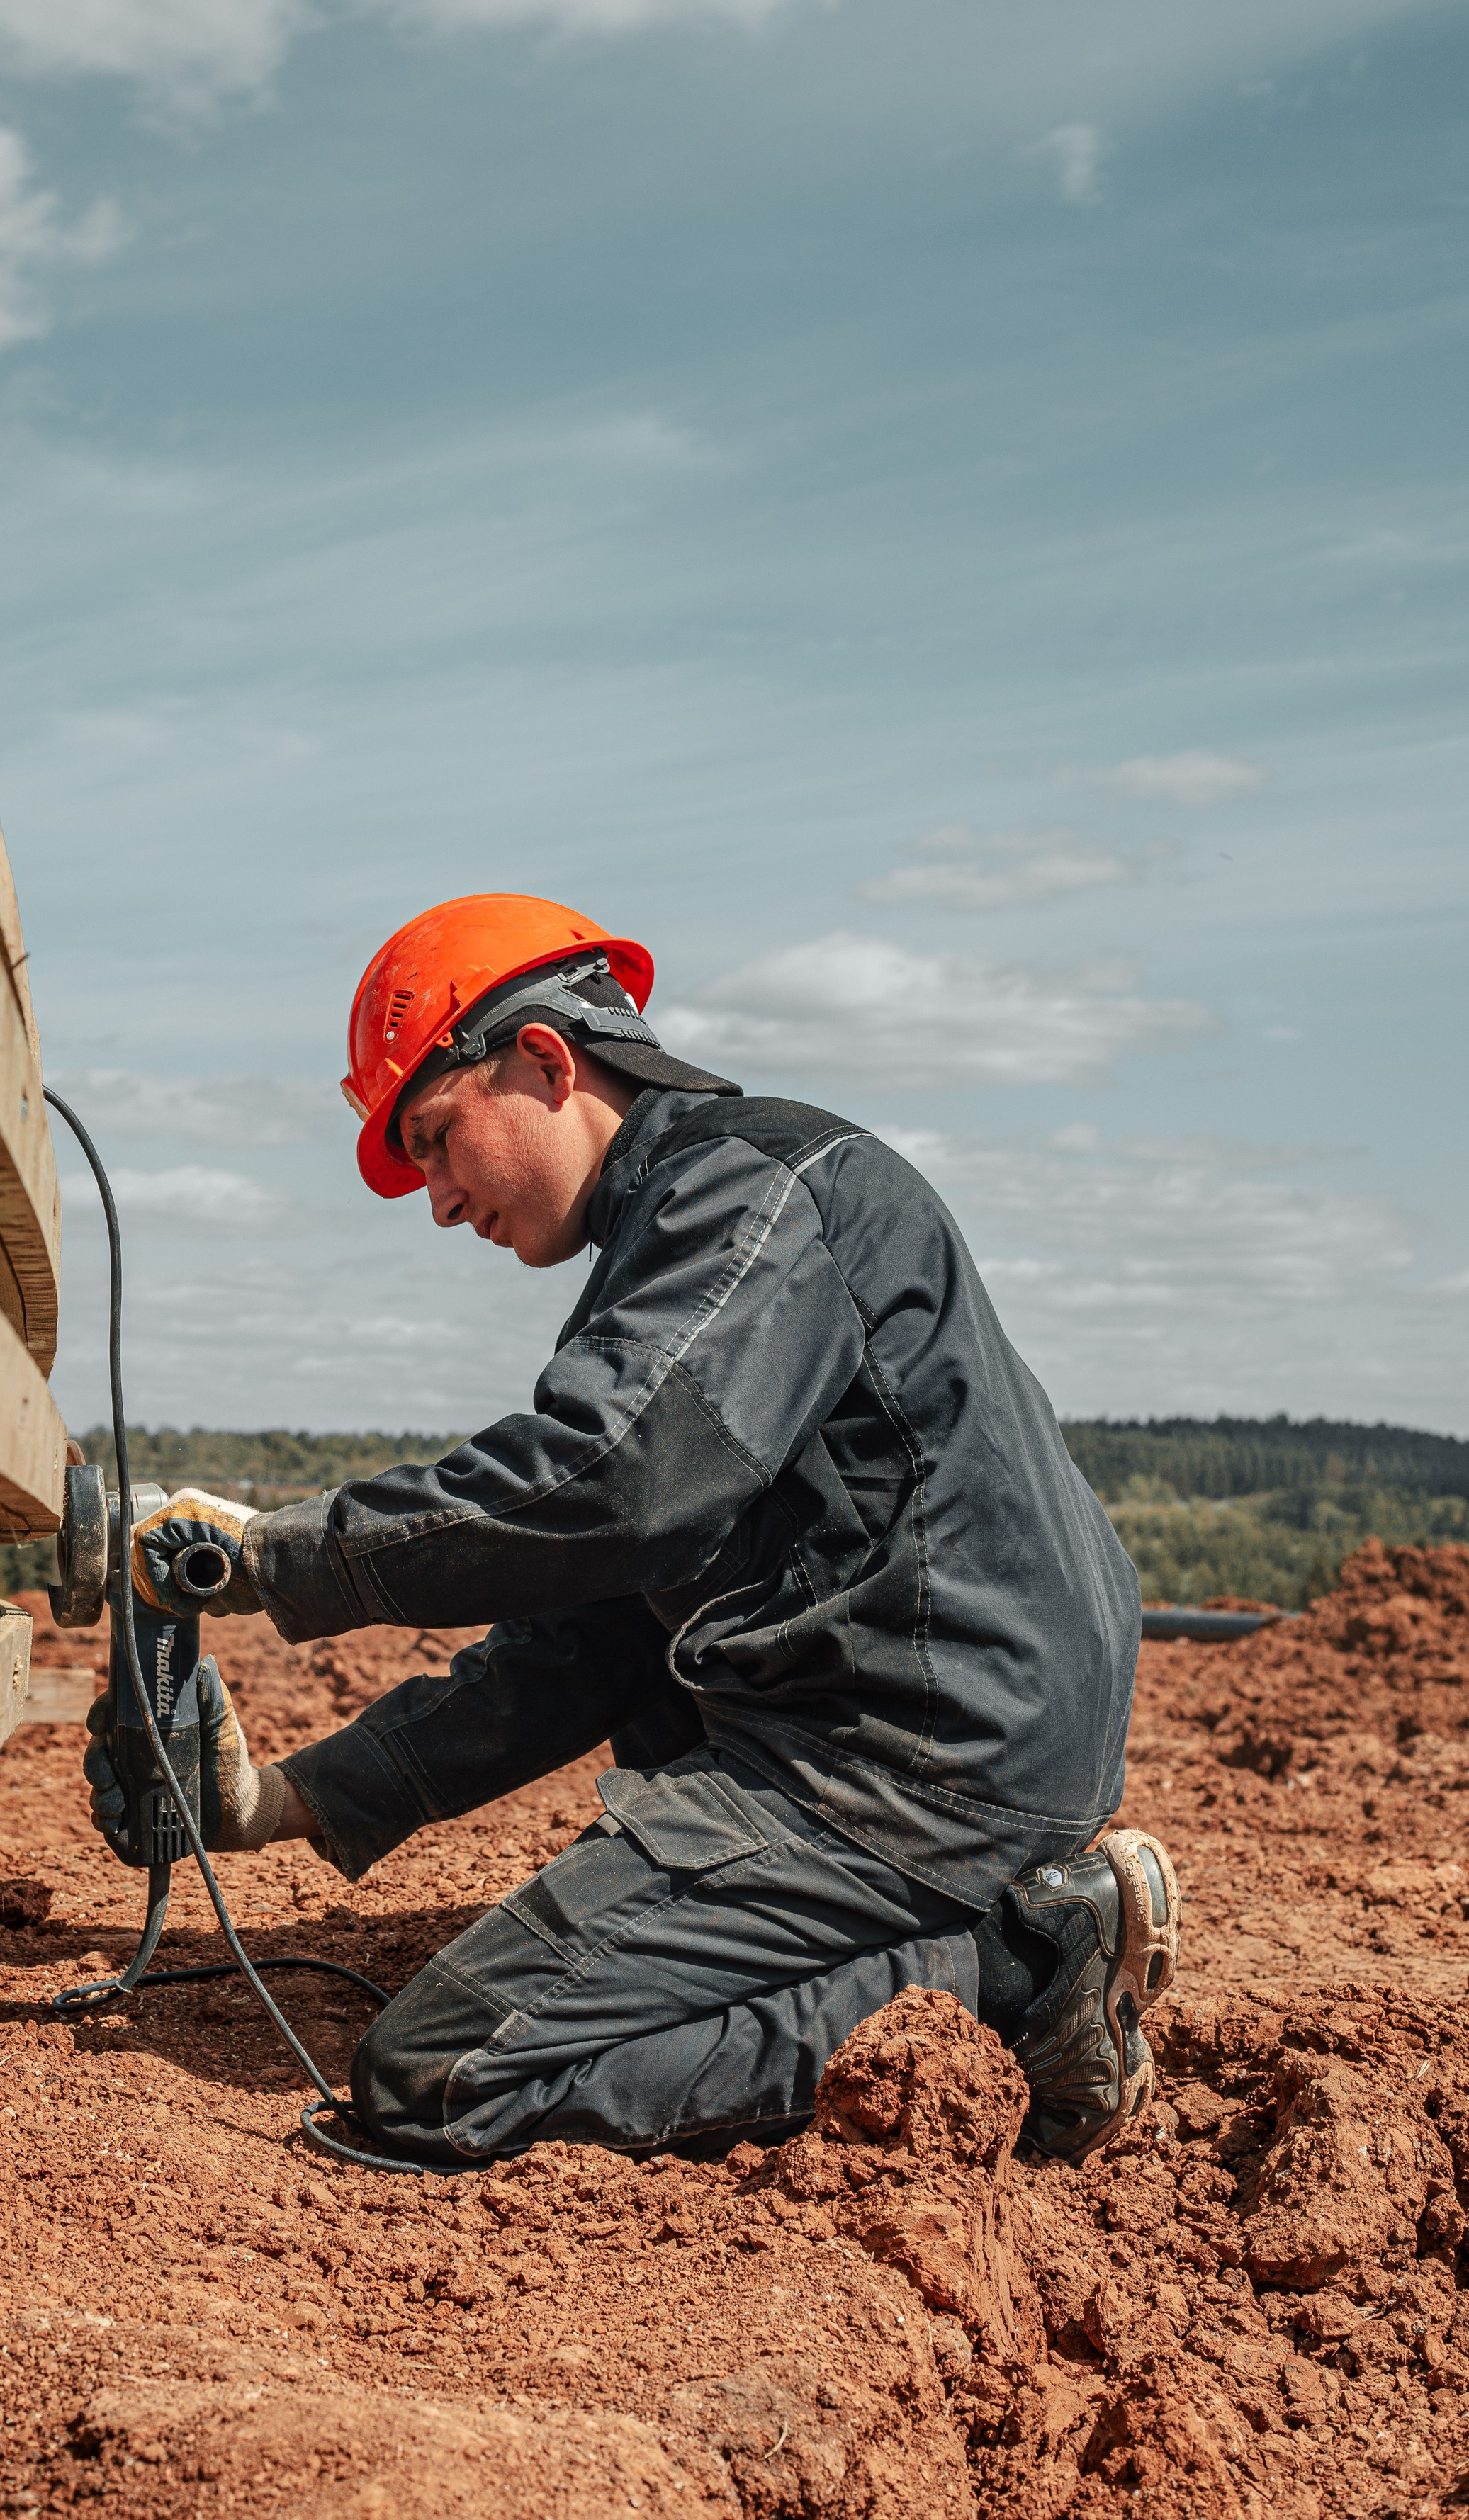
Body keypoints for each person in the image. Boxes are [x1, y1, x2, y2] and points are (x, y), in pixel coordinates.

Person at [84, 891, 1178, 2171]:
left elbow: (607, 1482)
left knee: (439, 2079)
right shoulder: (692, 1236)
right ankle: (1003, 1935)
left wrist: (267, 1554)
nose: (436, 1202)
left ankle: (1014, 1973)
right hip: (941, 1738)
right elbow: (587, 1637)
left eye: (437, 1140)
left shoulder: (753, 1202)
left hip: (912, 1770)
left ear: (544, 1061)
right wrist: (285, 1802)